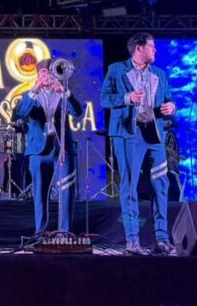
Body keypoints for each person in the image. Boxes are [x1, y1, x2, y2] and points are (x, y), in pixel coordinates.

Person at [100, 33, 177, 255]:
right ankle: (132, 240)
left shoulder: (159, 74)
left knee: (161, 185)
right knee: (129, 185)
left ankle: (162, 239)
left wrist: (171, 107)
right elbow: (104, 99)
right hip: (128, 134)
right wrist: (127, 98)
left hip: (155, 135)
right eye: (152, 46)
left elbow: (169, 98)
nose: (155, 50)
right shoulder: (117, 70)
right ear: (139, 48)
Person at [14, 58, 84, 235]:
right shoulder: (29, 95)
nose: (48, 76)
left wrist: (65, 92)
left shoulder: (63, 92)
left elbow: (77, 112)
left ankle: (65, 233)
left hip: (63, 148)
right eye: (44, 72)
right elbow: (21, 113)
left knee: (67, 191)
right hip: (38, 150)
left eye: (51, 72)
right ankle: (40, 233)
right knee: (39, 193)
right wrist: (36, 88)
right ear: (38, 75)